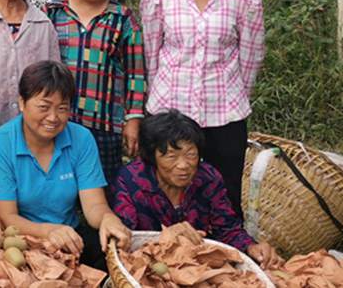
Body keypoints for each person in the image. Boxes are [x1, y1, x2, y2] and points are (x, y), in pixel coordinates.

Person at [140, 0, 265, 217]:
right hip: (170, 111)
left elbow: (250, 59)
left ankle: (226, 251)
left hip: (224, 115)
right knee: (164, 188)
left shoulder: (244, 1)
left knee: (224, 191)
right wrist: (156, 104)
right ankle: (163, 251)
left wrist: (233, 94)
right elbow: (151, 57)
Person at [0, 60, 131, 268]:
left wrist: (107, 218)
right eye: (44, 107)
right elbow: (8, 217)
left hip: (71, 236)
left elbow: (94, 204)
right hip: (22, 240)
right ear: (22, 103)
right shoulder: (0, 143)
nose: (53, 117)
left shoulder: (81, 138)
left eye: (62, 108)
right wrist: (48, 231)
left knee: (112, 254)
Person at [111, 110, 281, 266]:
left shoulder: (208, 178)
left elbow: (227, 228)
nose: (183, 165)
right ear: (152, 156)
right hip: (148, 265)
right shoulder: (131, 181)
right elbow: (124, 238)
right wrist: (166, 237)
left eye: (191, 154)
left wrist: (251, 247)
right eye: (171, 156)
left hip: (198, 265)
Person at [43, 0, 146, 183]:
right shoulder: (52, 13)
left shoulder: (122, 18)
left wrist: (133, 120)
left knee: (102, 187)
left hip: (105, 124)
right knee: (59, 185)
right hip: (58, 121)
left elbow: (136, 75)